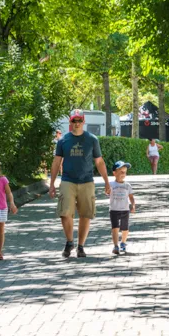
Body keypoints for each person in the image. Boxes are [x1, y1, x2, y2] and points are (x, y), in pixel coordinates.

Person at [48, 108, 111, 258]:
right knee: (65, 213)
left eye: (79, 120)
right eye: (74, 121)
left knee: (85, 214)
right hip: (67, 181)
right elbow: (57, 162)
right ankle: (69, 241)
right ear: (70, 122)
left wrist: (107, 182)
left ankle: (80, 246)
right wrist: (51, 184)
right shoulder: (63, 140)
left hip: (86, 181)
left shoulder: (92, 139)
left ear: (83, 121)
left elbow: (99, 161)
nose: (77, 123)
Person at [109, 161, 136, 256]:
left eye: (124, 172)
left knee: (125, 228)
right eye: (121, 171)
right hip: (114, 210)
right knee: (115, 228)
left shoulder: (127, 185)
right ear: (114, 173)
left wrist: (133, 205)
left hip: (125, 210)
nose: (123, 174)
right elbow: (107, 192)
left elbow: (131, 197)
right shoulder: (111, 184)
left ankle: (123, 242)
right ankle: (115, 246)